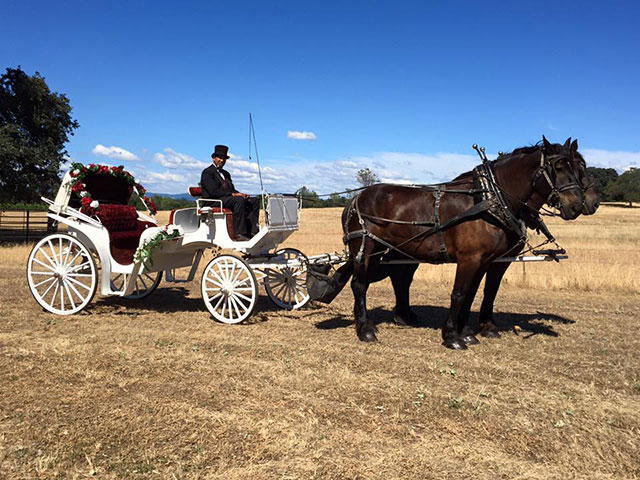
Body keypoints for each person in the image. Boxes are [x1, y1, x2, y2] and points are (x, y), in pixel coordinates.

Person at [200, 145, 260, 241]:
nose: (222, 160)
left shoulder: (226, 173)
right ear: (214, 158)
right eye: (219, 158)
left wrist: (241, 194)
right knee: (238, 200)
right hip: (213, 200)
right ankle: (239, 233)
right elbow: (214, 192)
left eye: (224, 158)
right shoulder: (207, 172)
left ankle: (252, 231)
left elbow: (232, 189)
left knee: (254, 201)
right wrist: (234, 195)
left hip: (226, 199)